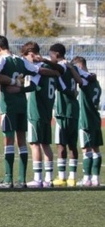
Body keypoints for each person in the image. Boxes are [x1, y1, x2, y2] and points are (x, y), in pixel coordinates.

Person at [0, 35, 45, 189]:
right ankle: (22, 179)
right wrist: (25, 87)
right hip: (22, 105)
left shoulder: (2, 59)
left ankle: (8, 179)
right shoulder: (21, 61)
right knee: (21, 141)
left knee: (8, 141)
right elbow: (38, 71)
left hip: (8, 106)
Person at [48, 43, 81, 187]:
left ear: (56, 54)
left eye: (50, 55)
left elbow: (62, 85)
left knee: (61, 144)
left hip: (63, 110)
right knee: (73, 145)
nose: (50, 57)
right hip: (74, 110)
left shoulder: (60, 67)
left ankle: (62, 177)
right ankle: (72, 178)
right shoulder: (72, 67)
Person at [72, 56, 102, 187]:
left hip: (85, 119)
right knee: (96, 149)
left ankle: (87, 179)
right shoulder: (96, 82)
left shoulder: (85, 82)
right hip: (95, 119)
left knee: (86, 150)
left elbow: (79, 79)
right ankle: (96, 178)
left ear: (80, 67)